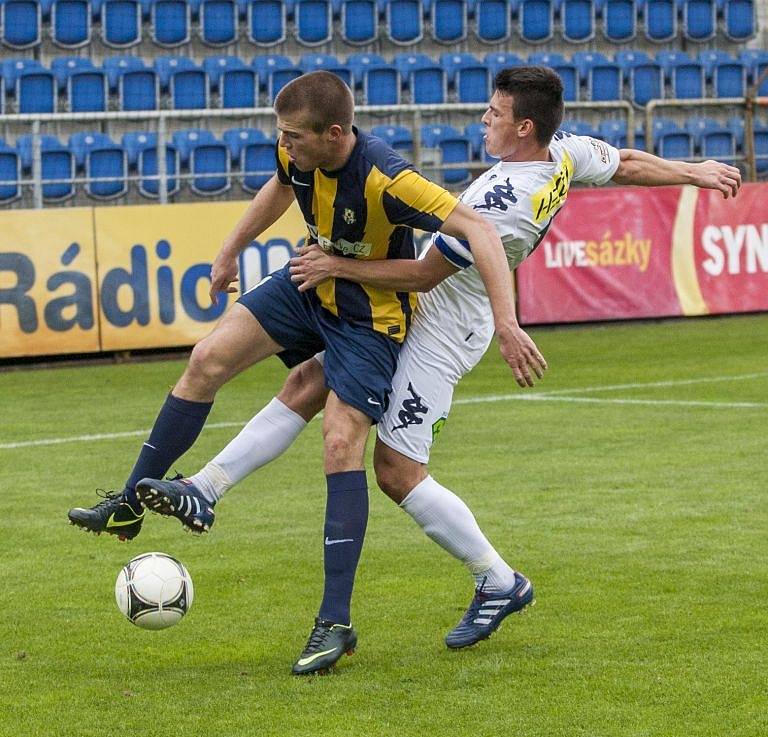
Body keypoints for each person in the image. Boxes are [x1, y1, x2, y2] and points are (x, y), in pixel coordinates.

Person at [134, 66, 742, 662]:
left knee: (395, 471)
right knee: (310, 378)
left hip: (442, 328)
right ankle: (203, 489)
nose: (484, 119)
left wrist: (338, 266)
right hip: (422, 308)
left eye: (496, 114)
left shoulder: (508, 200)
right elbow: (628, 163)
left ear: (525, 127)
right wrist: (695, 172)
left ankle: (498, 580)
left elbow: (426, 272)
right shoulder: (561, 153)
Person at [67, 70, 545, 675]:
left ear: (336, 133)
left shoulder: (388, 178)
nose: (285, 145)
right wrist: (228, 249)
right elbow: (280, 184)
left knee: (340, 443)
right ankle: (132, 503)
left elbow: (477, 229)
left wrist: (506, 321)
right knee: (205, 359)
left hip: (370, 321)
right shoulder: (295, 149)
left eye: (295, 136)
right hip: (307, 286)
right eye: (283, 135)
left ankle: (335, 623)